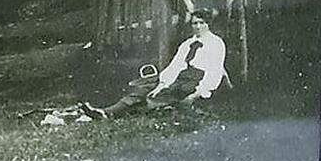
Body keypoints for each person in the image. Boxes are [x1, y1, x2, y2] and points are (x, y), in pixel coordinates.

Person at [82, 8, 227, 119]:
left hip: (195, 80)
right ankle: (106, 112)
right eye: (195, 23)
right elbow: (175, 66)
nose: (198, 26)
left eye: (202, 23)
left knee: (156, 99)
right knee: (145, 88)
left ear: (208, 24)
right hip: (180, 77)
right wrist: (162, 84)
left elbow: (214, 71)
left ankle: (114, 114)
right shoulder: (187, 44)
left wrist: (199, 92)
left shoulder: (215, 43)